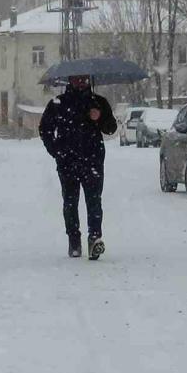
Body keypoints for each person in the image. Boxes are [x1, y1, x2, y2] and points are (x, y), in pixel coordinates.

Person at [39, 75, 117, 260]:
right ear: (70, 81)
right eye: (76, 79)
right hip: (67, 162)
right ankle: (74, 240)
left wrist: (99, 117)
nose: (81, 82)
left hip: (92, 160)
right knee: (70, 202)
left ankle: (94, 239)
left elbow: (111, 128)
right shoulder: (58, 103)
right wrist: (56, 151)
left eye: (84, 79)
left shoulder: (98, 102)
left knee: (94, 201)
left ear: (89, 80)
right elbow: (45, 129)